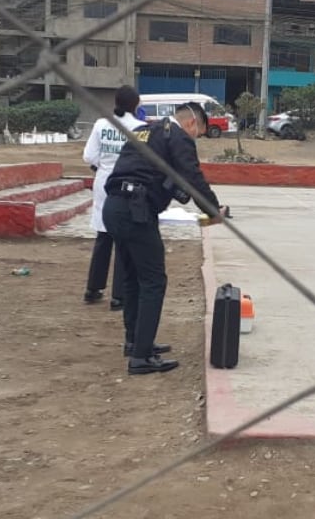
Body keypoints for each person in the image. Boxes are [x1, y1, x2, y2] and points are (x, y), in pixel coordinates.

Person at [103, 102, 228, 375]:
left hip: (114, 207)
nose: (196, 139)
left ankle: (135, 342)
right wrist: (212, 209)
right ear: (192, 123)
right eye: (200, 133)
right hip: (136, 210)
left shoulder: (145, 131)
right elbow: (192, 175)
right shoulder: (179, 135)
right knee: (153, 281)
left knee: (134, 278)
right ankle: (141, 357)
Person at [83, 86, 144, 309]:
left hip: (103, 183)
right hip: (127, 187)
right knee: (124, 242)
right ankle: (119, 295)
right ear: (135, 105)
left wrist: (104, 165)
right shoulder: (139, 128)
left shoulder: (101, 124)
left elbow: (88, 156)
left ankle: (93, 289)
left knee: (103, 237)